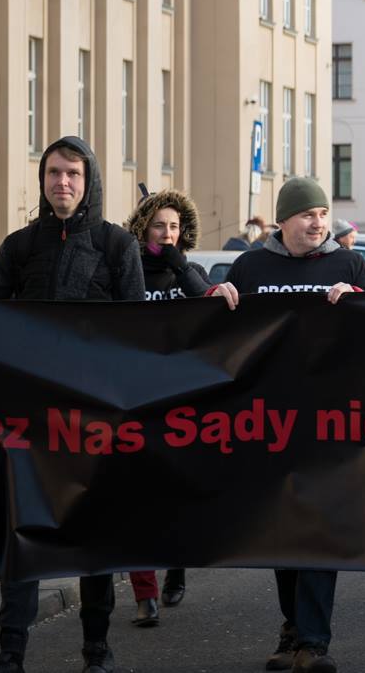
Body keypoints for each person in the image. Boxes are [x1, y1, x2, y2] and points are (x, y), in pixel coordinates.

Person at [0, 136, 145, 673]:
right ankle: (11, 650)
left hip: (95, 422)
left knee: (93, 539)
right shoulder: (20, 246)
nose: (62, 182)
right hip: (30, 422)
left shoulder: (117, 246)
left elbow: (139, 334)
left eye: (72, 173)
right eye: (53, 173)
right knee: (25, 534)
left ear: (89, 181)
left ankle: (97, 649)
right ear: (42, 181)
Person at [217, 177, 365, 673]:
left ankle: (314, 642)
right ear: (283, 220)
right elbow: (222, 336)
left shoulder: (349, 264)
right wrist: (213, 295)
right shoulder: (251, 266)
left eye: (324, 213)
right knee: (281, 530)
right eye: (308, 214)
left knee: (318, 528)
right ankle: (292, 629)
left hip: (328, 419)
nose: (318, 222)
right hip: (269, 420)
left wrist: (358, 302)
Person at [123, 190, 215, 628]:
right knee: (137, 501)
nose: (168, 233)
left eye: (175, 226)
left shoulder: (188, 271)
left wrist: (179, 265)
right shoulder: (127, 270)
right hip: (135, 400)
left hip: (182, 404)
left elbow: (210, 306)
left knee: (176, 496)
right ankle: (145, 595)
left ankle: (176, 562)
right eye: (160, 225)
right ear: (144, 227)